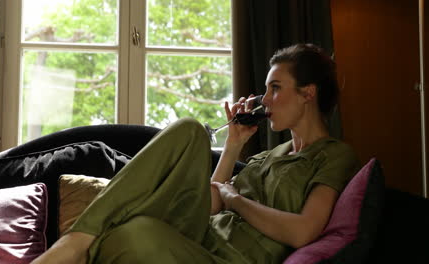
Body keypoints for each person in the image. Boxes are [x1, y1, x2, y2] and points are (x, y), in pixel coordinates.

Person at [31, 43, 360, 264]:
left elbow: (304, 231)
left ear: (308, 94)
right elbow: (211, 202)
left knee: (131, 236)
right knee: (189, 131)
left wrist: (237, 200)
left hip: (226, 260)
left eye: (275, 88)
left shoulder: (332, 155)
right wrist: (232, 146)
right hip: (198, 238)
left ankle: (76, 243)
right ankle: (76, 241)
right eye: (266, 89)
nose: (265, 100)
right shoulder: (265, 158)